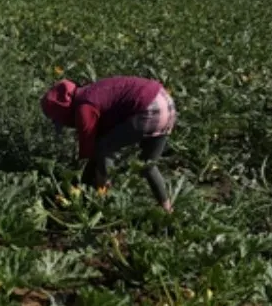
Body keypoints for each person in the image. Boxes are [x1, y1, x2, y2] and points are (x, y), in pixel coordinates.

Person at [40, 75, 176, 212]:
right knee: (148, 165)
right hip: (164, 101)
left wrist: (82, 181)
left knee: (104, 149)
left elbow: (88, 152)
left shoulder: (84, 108)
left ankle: (103, 200)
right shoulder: (91, 91)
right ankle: (167, 210)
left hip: (148, 108)